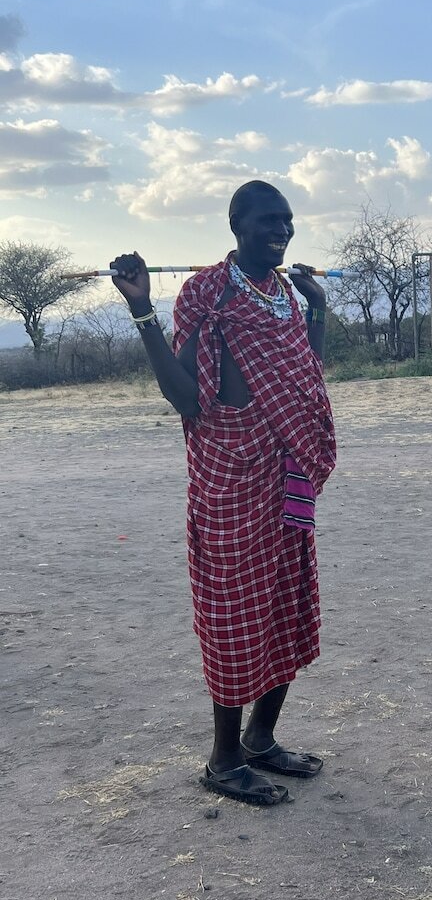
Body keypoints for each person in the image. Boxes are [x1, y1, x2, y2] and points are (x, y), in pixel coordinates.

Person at [111, 180, 336, 807]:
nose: (283, 231)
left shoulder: (287, 295)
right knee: (235, 613)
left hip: (285, 477)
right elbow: (187, 397)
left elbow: (306, 382)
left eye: (288, 221)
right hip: (231, 479)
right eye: (269, 220)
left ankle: (262, 740)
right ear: (237, 223)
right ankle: (223, 758)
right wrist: (140, 309)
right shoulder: (207, 292)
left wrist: (318, 309)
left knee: (285, 605)